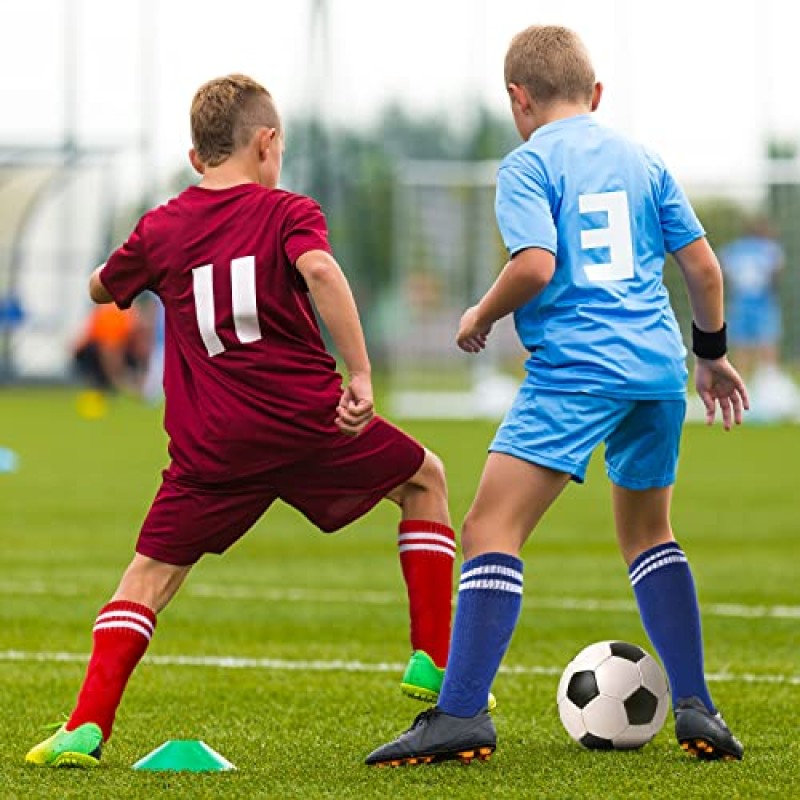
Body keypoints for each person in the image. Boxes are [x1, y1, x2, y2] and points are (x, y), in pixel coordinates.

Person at [26, 74, 457, 768]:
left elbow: (102, 287)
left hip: (212, 442)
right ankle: (431, 660)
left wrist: (131, 259)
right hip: (306, 421)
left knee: (148, 575)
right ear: (268, 143)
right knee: (425, 481)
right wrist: (362, 373)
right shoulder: (288, 211)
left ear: (196, 158)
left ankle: (85, 726)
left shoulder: (162, 226)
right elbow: (319, 270)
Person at [366, 25, 749, 768]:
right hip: (658, 371)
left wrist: (480, 313)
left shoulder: (527, 163)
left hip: (577, 368)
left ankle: (462, 713)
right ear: (596, 94)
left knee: (488, 529)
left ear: (519, 99)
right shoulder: (644, 159)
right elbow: (704, 271)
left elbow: (536, 266)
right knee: (649, 535)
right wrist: (712, 357)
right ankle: (698, 705)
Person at [719, 216, 784, 381]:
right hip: (762, 299)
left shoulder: (734, 249)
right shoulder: (770, 249)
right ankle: (770, 380)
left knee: (742, 344)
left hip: (740, 300)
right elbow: (776, 271)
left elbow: (721, 268)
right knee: (767, 340)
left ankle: (741, 381)